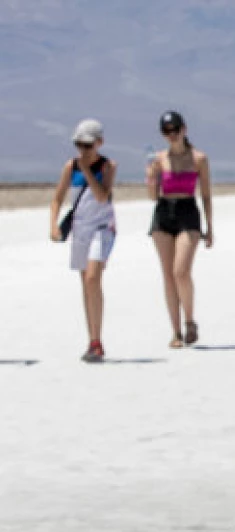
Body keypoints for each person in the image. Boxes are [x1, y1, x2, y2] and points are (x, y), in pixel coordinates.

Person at [49, 119, 117, 363]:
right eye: (79, 145)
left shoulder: (108, 166)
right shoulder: (70, 167)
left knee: (92, 277)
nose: (83, 150)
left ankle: (97, 341)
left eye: (87, 145)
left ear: (99, 143)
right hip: (80, 231)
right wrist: (54, 224)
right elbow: (57, 198)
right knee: (85, 284)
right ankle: (93, 340)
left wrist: (88, 170)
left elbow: (101, 196)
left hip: (102, 228)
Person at [146, 111, 213, 348]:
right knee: (167, 274)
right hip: (164, 213)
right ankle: (175, 332)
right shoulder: (159, 159)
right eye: (167, 132)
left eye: (175, 130)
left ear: (184, 129)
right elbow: (153, 197)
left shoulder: (199, 158)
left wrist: (210, 226)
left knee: (180, 271)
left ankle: (190, 321)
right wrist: (152, 178)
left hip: (188, 212)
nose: (172, 135)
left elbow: (205, 194)